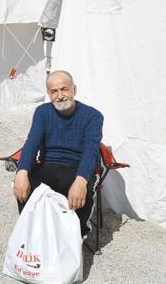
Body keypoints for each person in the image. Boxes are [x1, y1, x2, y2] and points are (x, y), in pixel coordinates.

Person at [12, 70, 103, 236]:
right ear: (49, 94)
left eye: (64, 89)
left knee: (82, 190)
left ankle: (74, 239)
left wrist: (81, 180)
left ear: (74, 90)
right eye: (54, 91)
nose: (60, 95)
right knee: (26, 183)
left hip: (78, 166)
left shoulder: (93, 116)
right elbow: (32, 142)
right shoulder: (42, 112)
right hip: (49, 165)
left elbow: (91, 151)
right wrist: (21, 172)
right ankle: (34, 236)